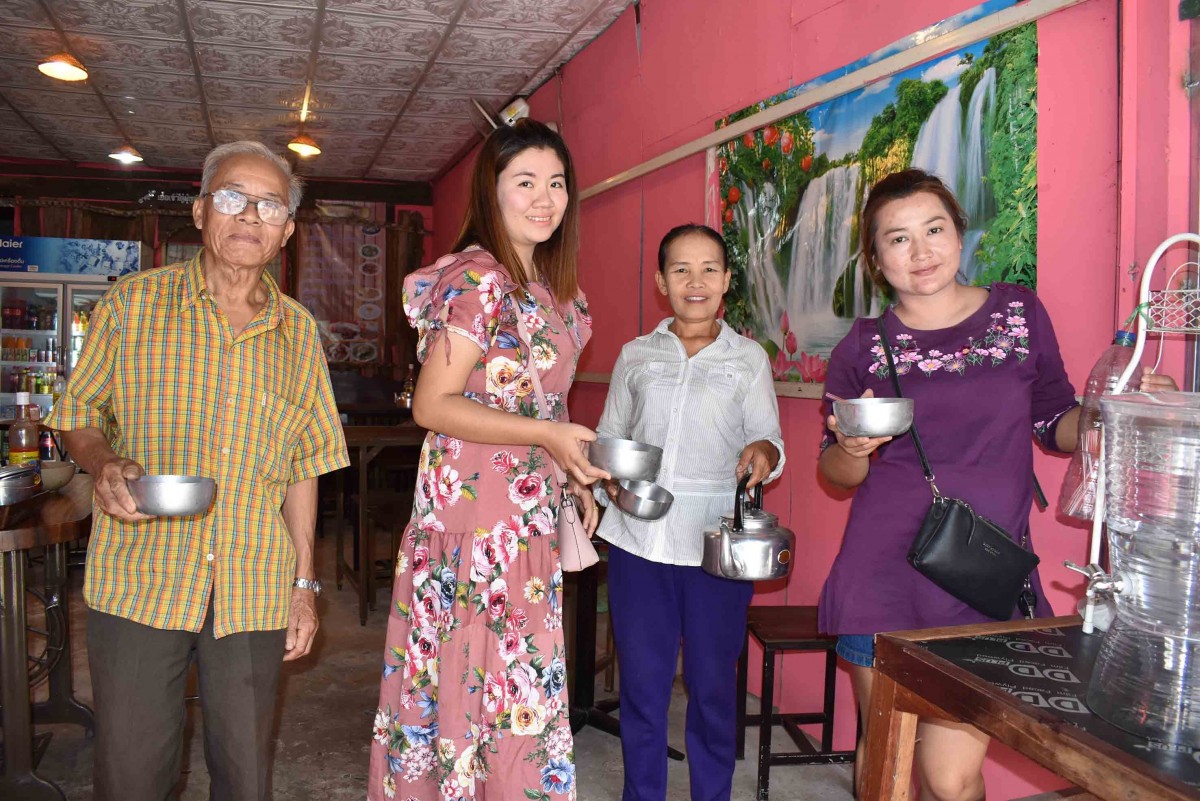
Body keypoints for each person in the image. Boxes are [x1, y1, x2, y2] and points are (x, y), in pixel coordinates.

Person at [818, 168, 1174, 801]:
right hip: (882, 572)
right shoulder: (863, 347)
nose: (921, 251)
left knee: (952, 781)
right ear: (875, 259)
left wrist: (1118, 406)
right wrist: (850, 448)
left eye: (934, 230)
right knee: (888, 768)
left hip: (980, 570)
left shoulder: (1017, 313)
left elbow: (1055, 421)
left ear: (959, 235)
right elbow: (836, 474)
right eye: (897, 239)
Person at [47, 140, 349, 800]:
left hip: (252, 585)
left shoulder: (299, 334)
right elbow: (77, 412)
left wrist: (305, 584)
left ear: (288, 231)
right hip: (139, 575)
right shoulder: (133, 304)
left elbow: (307, 465)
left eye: (269, 205)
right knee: (131, 772)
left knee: (244, 775)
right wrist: (101, 461)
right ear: (201, 210)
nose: (250, 216)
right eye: (234, 198)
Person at [368, 119, 605, 800]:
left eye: (556, 183)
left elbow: (545, 407)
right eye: (524, 182)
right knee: (468, 678)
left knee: (517, 684)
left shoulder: (559, 290)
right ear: (491, 192)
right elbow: (433, 404)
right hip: (468, 522)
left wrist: (566, 478)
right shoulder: (478, 276)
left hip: (525, 518)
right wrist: (546, 441)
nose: (545, 198)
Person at [595, 223, 785, 801]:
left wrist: (763, 453)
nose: (695, 281)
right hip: (638, 542)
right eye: (681, 270)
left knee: (711, 690)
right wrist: (606, 487)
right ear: (661, 281)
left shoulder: (747, 359)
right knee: (644, 691)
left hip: (714, 549)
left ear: (727, 281)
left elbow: (769, 444)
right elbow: (608, 439)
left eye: (708, 270)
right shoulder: (636, 355)